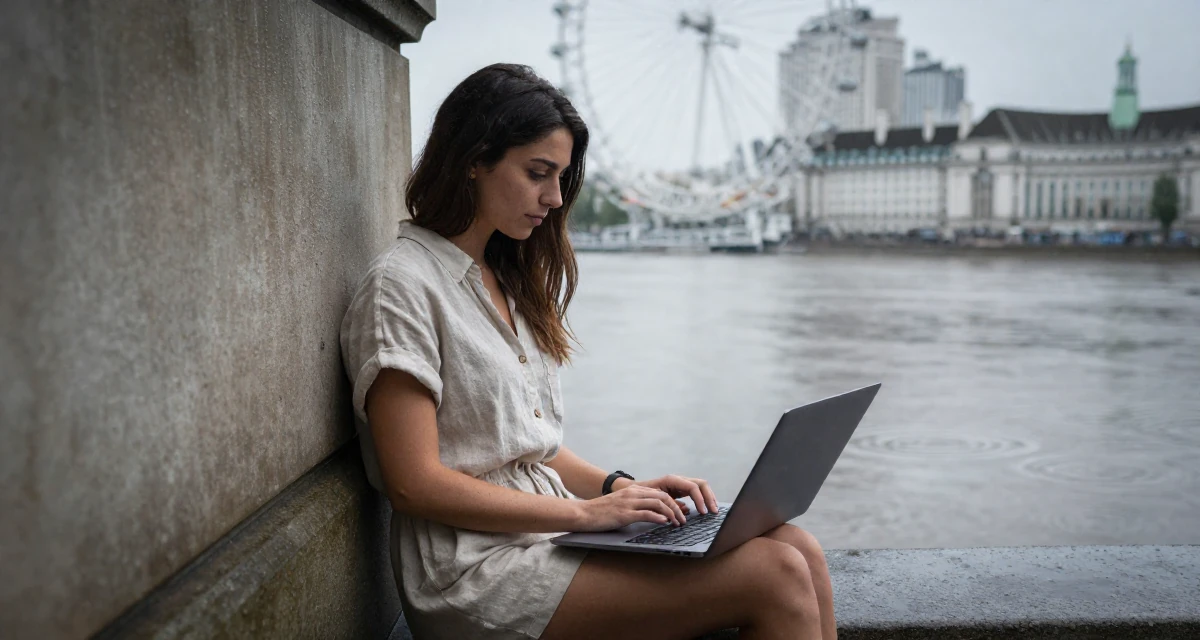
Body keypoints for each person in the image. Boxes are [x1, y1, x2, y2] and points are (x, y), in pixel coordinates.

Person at [340, 63, 837, 640]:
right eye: (538, 173)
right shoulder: (401, 285)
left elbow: (531, 451)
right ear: (474, 159)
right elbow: (413, 482)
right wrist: (584, 515)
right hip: (473, 571)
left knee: (795, 544)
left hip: (548, 540)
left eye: (561, 177)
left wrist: (622, 489)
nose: (554, 198)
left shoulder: (506, 277)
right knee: (773, 573)